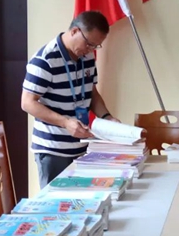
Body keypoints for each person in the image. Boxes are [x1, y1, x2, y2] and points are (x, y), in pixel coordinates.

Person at [21, 10, 120, 189]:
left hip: (82, 148)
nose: (90, 50)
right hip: (53, 150)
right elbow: (27, 103)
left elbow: (92, 93)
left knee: (82, 201)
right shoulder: (45, 60)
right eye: (89, 43)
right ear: (74, 31)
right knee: (54, 203)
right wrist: (65, 122)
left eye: (96, 46)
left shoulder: (87, 56)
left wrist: (107, 117)